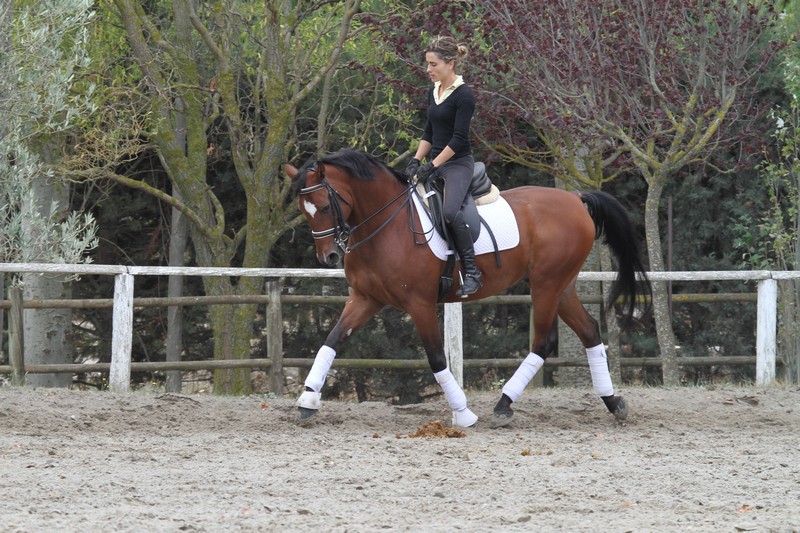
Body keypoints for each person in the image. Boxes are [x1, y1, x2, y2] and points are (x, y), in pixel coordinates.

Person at [405, 35, 482, 297]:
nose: (428, 69)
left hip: (457, 163)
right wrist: (417, 160)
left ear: (450, 63)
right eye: (427, 64)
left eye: (432, 64)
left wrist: (433, 165)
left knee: (450, 212)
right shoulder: (434, 91)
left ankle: (472, 272)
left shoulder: (464, 95)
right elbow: (429, 132)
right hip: (434, 163)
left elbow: (459, 139)